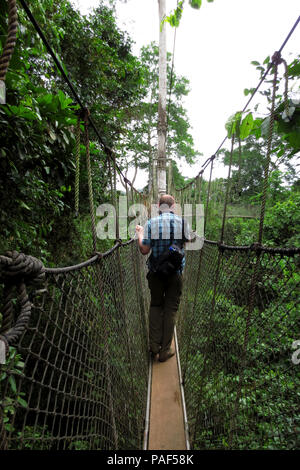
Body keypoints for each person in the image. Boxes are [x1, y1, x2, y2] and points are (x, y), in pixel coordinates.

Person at [135, 194, 190, 362]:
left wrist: (140, 233)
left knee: (156, 305)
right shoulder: (183, 223)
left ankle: (154, 347)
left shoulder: (151, 223)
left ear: (159, 206)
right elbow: (185, 244)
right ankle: (165, 350)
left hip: (156, 273)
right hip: (175, 274)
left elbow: (144, 250)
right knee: (171, 309)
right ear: (173, 206)